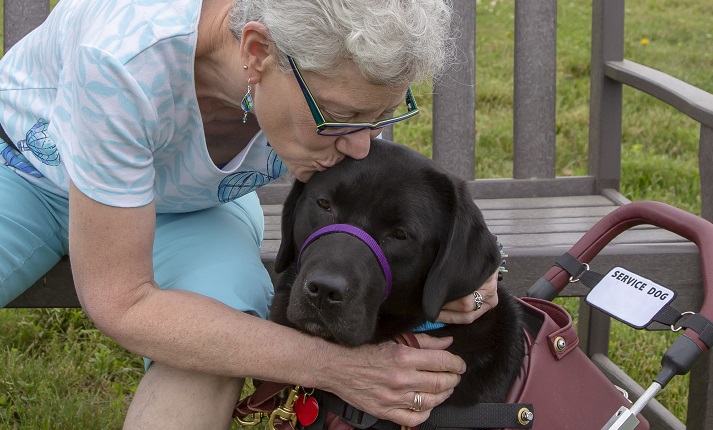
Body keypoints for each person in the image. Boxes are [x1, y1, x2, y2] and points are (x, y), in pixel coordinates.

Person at [0, 0, 499, 428]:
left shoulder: (331, 83)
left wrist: (471, 271)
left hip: (195, 207)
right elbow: (121, 300)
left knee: (218, 330)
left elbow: (387, 200)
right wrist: (340, 368)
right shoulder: (124, 59)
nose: (359, 145)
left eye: (376, 117)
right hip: (25, 172)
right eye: (339, 116)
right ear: (257, 53)